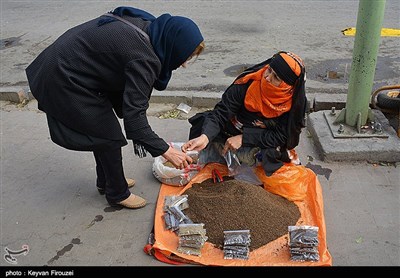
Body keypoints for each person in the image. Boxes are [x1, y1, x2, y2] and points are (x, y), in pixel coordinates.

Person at [25, 6, 205, 209]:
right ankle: (117, 193)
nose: (183, 64)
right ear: (174, 45)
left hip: (66, 64)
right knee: (109, 135)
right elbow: (135, 120)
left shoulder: (149, 28)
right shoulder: (144, 58)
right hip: (63, 78)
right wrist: (166, 151)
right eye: (185, 57)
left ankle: (107, 181)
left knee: (102, 130)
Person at [182, 51, 306, 178]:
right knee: (204, 125)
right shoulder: (246, 83)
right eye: (269, 70)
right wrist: (205, 137)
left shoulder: (292, 105)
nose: (267, 78)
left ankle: (239, 163)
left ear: (288, 86)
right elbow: (221, 113)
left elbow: (283, 136)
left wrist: (244, 138)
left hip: (257, 139)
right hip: (230, 129)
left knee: (275, 155)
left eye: (276, 78)